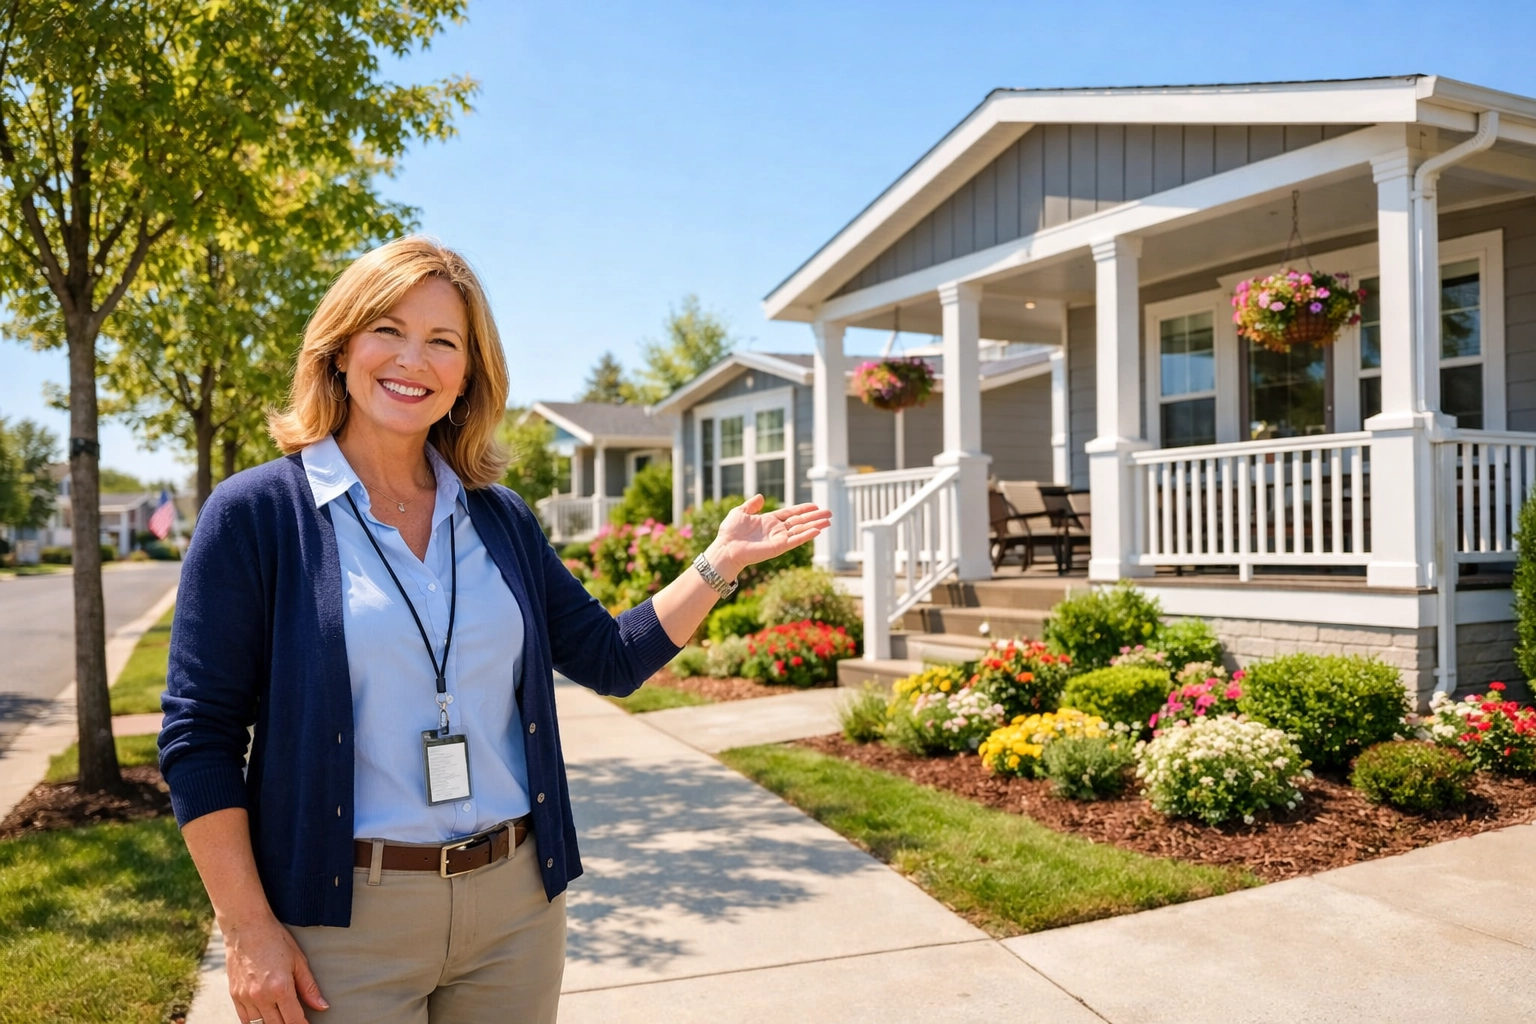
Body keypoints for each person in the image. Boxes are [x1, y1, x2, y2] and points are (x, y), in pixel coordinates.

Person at [159, 236, 831, 1024]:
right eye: (388, 330)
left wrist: (718, 565)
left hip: (514, 911)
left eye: (443, 342)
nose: (413, 360)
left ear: (468, 375)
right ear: (340, 347)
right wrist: (247, 931)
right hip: (340, 926)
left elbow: (610, 658)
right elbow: (200, 737)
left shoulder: (498, 517)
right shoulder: (258, 514)